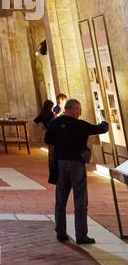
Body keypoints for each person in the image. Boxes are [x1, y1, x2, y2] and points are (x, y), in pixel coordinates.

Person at [44, 98, 108, 244]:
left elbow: (48, 140)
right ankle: (81, 235)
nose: (80, 112)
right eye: (79, 109)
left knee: (60, 199)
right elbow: (100, 129)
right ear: (72, 109)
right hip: (76, 165)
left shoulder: (54, 123)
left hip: (61, 164)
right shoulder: (80, 125)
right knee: (80, 199)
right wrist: (105, 122)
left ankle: (60, 232)